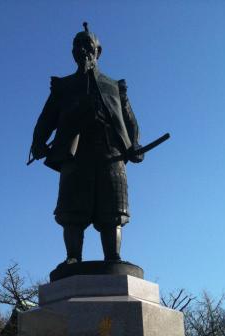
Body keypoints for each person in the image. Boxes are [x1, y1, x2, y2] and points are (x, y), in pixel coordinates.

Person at [31, 22, 144, 264]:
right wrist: (38, 142)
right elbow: (46, 118)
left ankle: (113, 257)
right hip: (75, 155)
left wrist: (134, 144)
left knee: (113, 210)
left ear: (98, 51)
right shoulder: (63, 87)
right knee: (72, 211)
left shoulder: (114, 86)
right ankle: (73, 258)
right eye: (78, 45)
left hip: (110, 154)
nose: (83, 49)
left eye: (87, 44)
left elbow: (129, 119)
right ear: (72, 52)